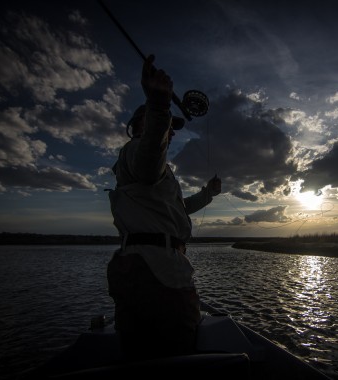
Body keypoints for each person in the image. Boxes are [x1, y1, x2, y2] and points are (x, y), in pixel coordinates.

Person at [107, 54, 221, 360]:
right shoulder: (136, 153)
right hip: (158, 275)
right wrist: (159, 105)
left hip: (144, 271)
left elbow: (177, 210)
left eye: (171, 126)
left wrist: (207, 194)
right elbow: (148, 159)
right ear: (138, 125)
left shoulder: (157, 173)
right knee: (177, 355)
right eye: (166, 124)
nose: (170, 129)